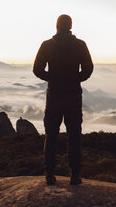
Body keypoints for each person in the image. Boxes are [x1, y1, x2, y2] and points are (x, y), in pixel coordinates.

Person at [33, 14, 93, 185]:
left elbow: (37, 69)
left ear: (57, 26)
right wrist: (75, 79)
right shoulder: (80, 45)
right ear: (71, 26)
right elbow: (88, 68)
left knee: (51, 135)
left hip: (54, 96)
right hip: (73, 96)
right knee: (74, 136)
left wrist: (52, 78)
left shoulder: (47, 45)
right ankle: (74, 175)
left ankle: (50, 175)